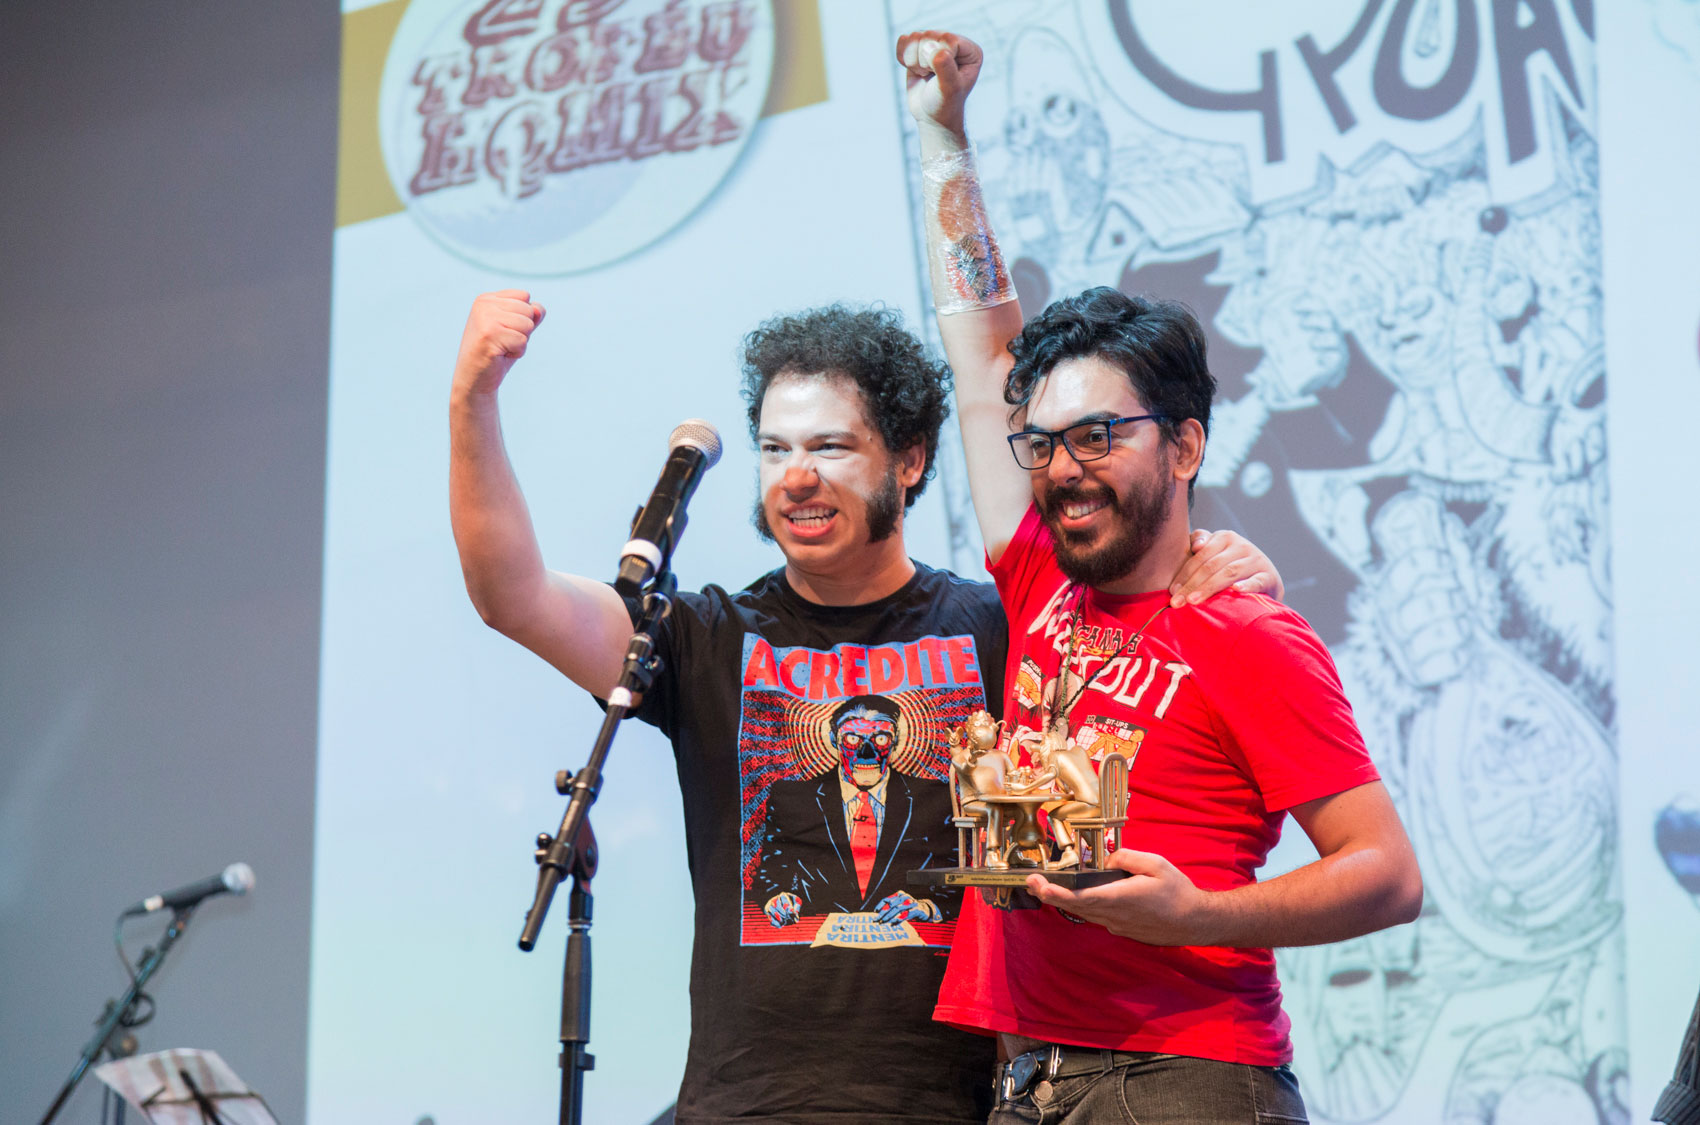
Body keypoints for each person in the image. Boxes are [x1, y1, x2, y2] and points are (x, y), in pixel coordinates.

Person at [448, 293, 1280, 1122]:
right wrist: (472, 398)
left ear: (910, 459)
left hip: (963, 1103)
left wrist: (1223, 561)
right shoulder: (706, 636)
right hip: (750, 1106)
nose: (796, 476)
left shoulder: (1001, 624)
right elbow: (513, 595)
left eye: (830, 446)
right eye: (775, 449)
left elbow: (1138, 593)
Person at [897, 30, 1425, 1124]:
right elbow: (984, 354)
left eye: (1097, 435)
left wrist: (1197, 916)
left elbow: (1386, 873)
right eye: (1043, 443)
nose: (1062, 467)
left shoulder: (1243, 629)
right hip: (1029, 1078)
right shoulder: (1039, 574)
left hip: (1184, 1080)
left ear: (1184, 445)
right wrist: (944, 139)